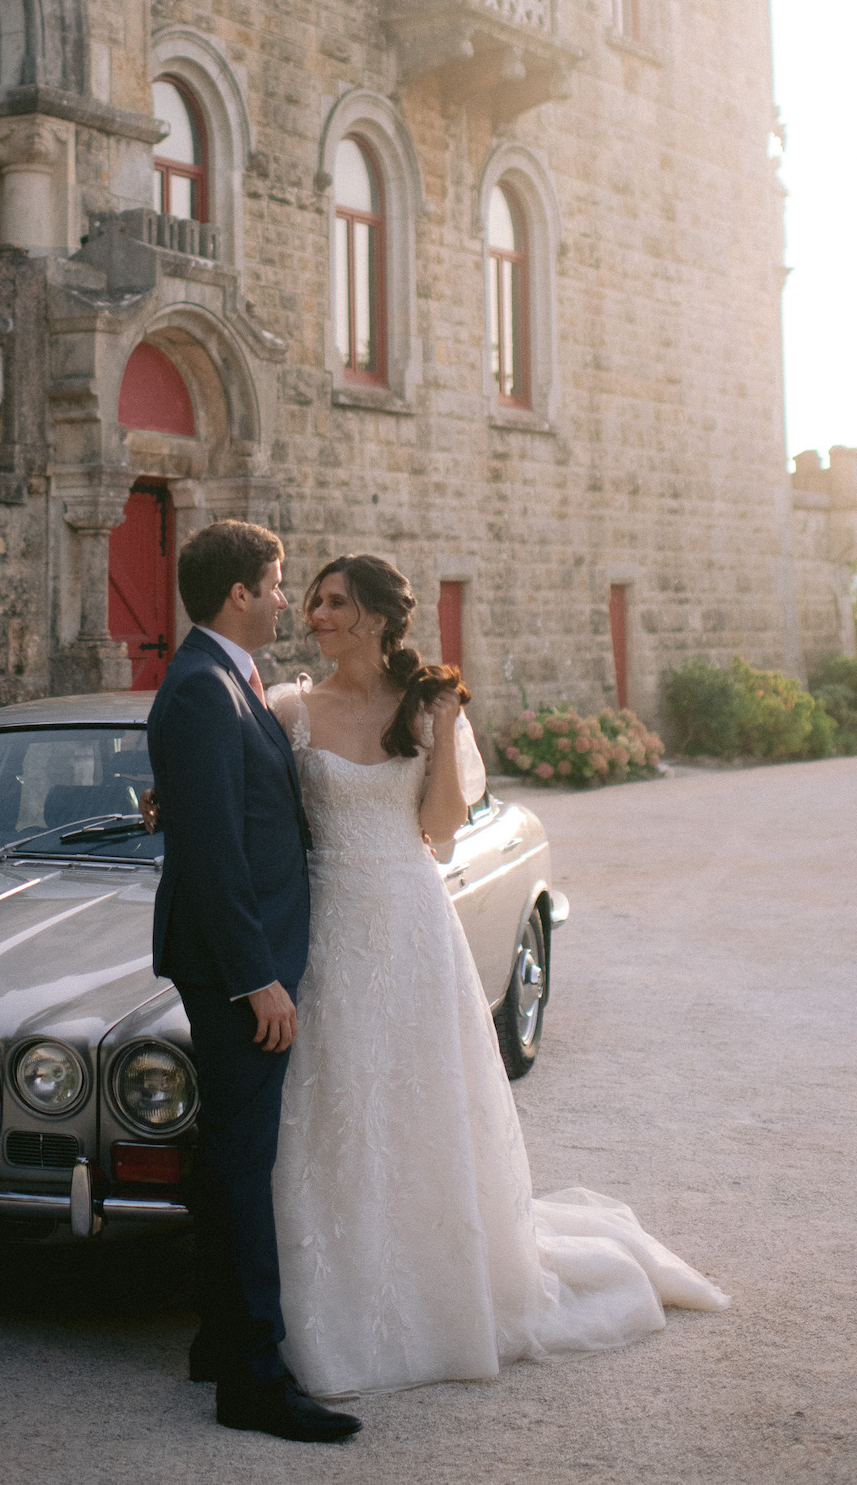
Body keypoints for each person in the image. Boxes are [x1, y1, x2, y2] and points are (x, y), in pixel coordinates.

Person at [269, 552, 729, 1401]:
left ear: (376, 617)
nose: (316, 615)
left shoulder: (423, 708)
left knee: (422, 1097)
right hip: (329, 923)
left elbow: (441, 830)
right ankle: (340, 1290)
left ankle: (442, 1284)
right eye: (313, 601)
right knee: (339, 1096)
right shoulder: (290, 709)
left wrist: (443, 730)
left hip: (410, 922)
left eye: (333, 602)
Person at [146, 520, 362, 1444]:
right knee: (242, 1166)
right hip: (239, 969)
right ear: (239, 593)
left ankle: (216, 1340)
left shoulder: (225, 679)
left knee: (227, 1157)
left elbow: (220, 809)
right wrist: (256, 981)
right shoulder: (204, 688)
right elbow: (213, 858)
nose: (284, 598)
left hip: (246, 957)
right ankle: (254, 1381)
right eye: (276, 583)